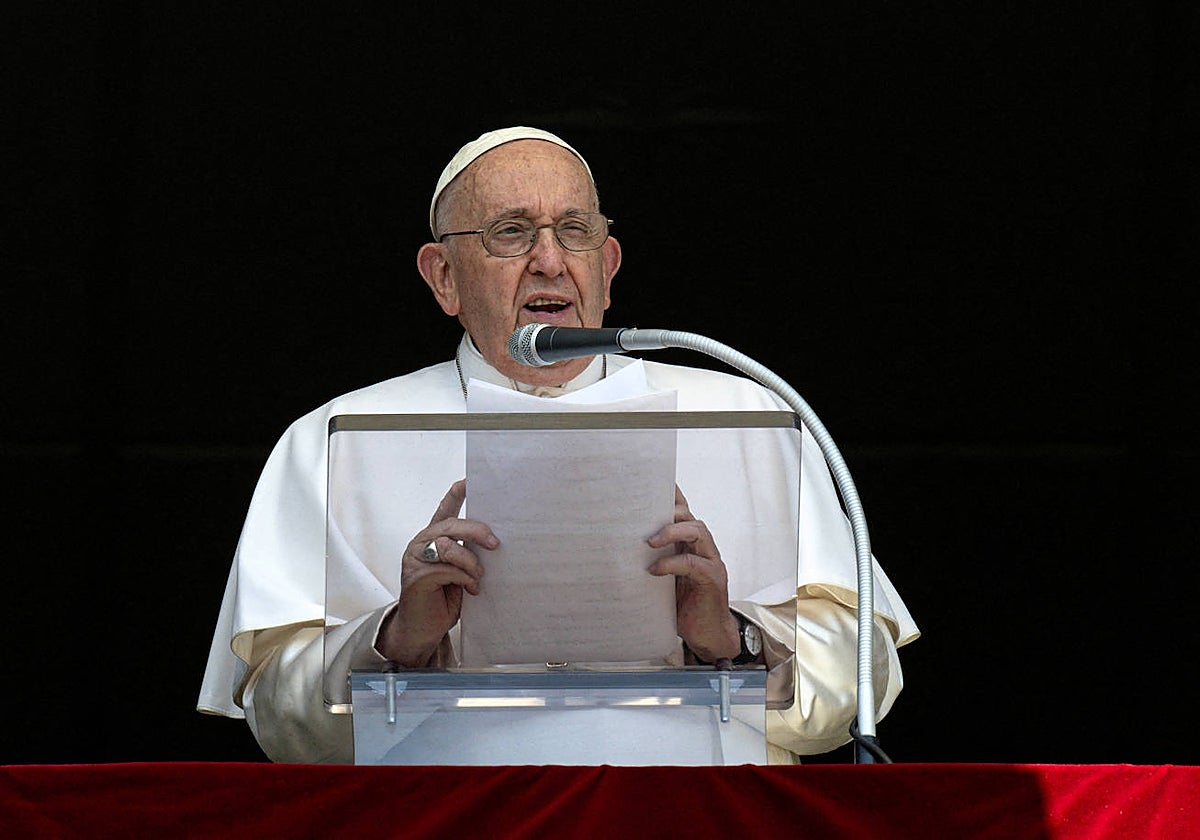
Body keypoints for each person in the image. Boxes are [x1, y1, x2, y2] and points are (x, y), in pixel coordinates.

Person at [197, 127, 920, 764]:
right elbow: (277, 720)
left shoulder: (745, 411)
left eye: (573, 232)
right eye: (510, 232)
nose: (548, 260)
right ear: (443, 276)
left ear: (606, 265)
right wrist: (396, 641)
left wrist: (732, 638)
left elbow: (867, 680)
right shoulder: (334, 439)